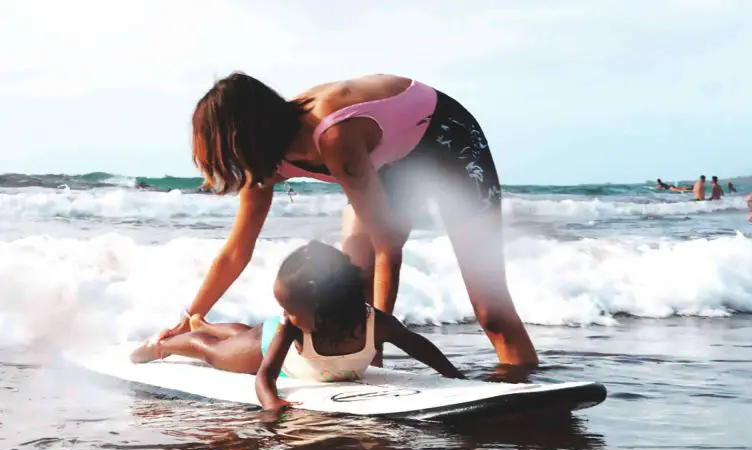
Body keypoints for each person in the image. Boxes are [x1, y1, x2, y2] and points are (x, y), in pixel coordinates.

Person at [150, 72, 538, 367]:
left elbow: (388, 246)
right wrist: (190, 317)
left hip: (446, 140)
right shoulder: (261, 163)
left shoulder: (333, 136)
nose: (229, 168)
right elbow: (236, 252)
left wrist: (376, 350)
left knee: (492, 311)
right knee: (353, 278)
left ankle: (528, 395)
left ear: (245, 138)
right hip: (386, 159)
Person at [131, 241, 465, 410]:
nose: (285, 314)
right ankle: (163, 344)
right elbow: (265, 376)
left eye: (289, 308)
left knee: (244, 332)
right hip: (269, 349)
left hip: (270, 338)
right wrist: (271, 403)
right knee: (215, 352)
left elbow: (418, 345)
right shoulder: (291, 326)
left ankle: (203, 322)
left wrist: (452, 375)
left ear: (325, 305)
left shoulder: (376, 324)